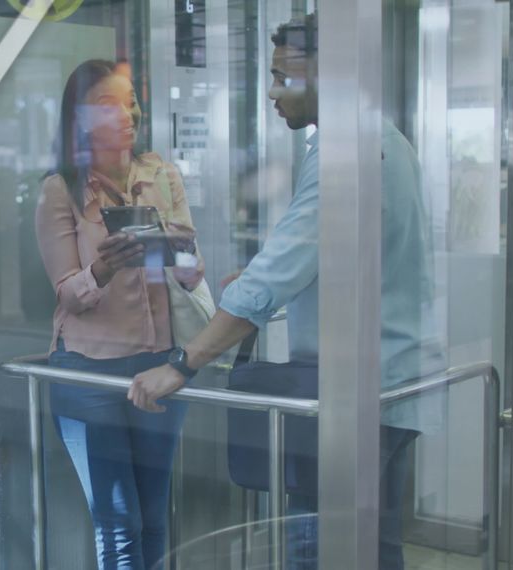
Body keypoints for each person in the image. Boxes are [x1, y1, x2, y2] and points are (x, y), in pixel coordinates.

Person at [127, 13, 439, 570]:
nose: (273, 93)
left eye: (285, 78)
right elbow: (328, 257)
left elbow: (277, 273)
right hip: (389, 383)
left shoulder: (350, 152)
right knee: (372, 547)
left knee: (321, 550)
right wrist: (258, 278)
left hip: (359, 395)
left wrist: (183, 363)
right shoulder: (382, 141)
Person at [35, 59, 206, 570]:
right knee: (119, 522)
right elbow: (67, 293)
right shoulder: (59, 190)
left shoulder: (162, 174)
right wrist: (103, 270)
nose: (129, 113)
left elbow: (191, 274)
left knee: (154, 514)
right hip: (89, 373)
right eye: (110, 105)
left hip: (158, 366)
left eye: (130, 100)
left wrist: (182, 255)